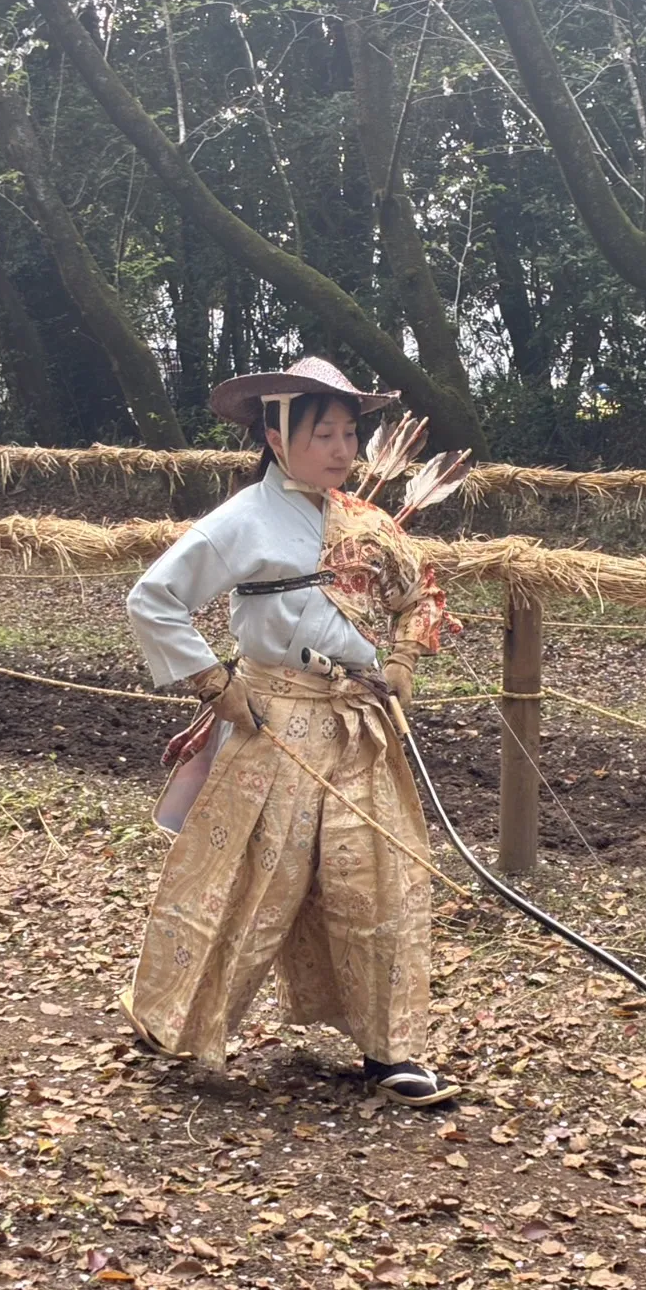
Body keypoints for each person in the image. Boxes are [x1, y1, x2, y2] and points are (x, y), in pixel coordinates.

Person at [121, 357, 459, 1107]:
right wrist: (218, 685)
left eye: (350, 433)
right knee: (247, 885)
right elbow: (155, 598)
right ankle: (172, 1017)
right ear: (277, 436)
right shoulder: (244, 518)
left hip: (361, 730)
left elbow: (418, 595)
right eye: (323, 434)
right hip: (275, 725)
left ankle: (391, 1051)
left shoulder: (366, 520)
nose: (342, 450)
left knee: (377, 886)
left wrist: (402, 659)